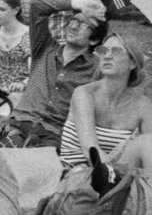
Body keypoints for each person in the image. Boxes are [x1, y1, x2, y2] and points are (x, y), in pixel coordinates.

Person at [0, 0, 106, 149]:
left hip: (54, 133)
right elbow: (37, 5)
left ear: (94, 40)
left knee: (41, 166)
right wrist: (79, 4)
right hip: (21, 122)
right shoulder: (44, 47)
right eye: (74, 20)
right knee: (5, 156)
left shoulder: (96, 69)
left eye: (84, 25)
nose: (74, 26)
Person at [59, 32, 152, 172]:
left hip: (115, 176)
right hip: (75, 175)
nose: (107, 56)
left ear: (132, 63)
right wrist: (118, 155)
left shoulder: (143, 105)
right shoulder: (85, 94)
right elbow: (91, 152)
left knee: (148, 142)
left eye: (116, 51)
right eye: (103, 51)